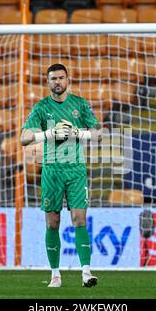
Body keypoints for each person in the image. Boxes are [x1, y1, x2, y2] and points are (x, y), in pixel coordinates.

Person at [20, 63, 103, 288]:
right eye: (53, 78)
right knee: (52, 222)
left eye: (61, 78)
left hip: (75, 170)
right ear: (48, 82)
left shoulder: (79, 104)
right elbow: (24, 138)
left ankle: (86, 272)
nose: (57, 81)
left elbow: (98, 134)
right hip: (51, 170)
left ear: (68, 80)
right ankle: (55, 274)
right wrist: (49, 133)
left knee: (79, 219)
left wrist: (78, 133)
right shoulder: (41, 108)